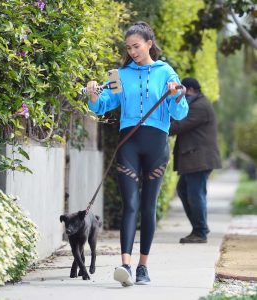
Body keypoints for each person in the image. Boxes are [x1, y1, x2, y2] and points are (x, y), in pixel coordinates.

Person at [87, 21, 188, 286]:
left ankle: (143, 266)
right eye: (128, 47)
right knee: (129, 205)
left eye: (136, 46)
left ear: (149, 44)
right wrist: (93, 95)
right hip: (128, 143)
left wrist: (176, 96)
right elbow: (102, 107)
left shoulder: (166, 72)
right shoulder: (119, 75)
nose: (132, 51)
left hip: (156, 144)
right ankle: (126, 265)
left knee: (147, 206)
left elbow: (180, 113)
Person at [169, 77, 222, 244]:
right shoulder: (198, 103)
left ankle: (200, 231)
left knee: (195, 194)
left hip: (199, 159)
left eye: (182, 90)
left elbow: (179, 126)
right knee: (185, 191)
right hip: (195, 158)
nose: (181, 95)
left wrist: (157, 124)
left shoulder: (200, 106)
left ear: (189, 89)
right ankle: (200, 229)